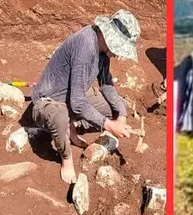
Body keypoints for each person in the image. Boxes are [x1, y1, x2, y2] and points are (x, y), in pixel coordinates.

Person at [29, 10, 139, 184]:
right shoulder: (86, 47)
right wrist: (110, 126)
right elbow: (78, 102)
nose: (118, 54)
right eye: (119, 47)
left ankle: (71, 128)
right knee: (59, 116)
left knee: (112, 107)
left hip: (71, 94)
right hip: (48, 100)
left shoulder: (102, 47)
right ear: (110, 37)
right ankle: (65, 157)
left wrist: (122, 114)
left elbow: (106, 83)